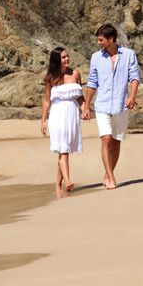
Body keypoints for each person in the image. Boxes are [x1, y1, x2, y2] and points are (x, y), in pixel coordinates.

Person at [82, 24, 140, 190]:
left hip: (122, 105)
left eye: (101, 40)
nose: (99, 43)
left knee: (116, 142)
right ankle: (112, 177)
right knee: (106, 139)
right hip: (102, 105)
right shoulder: (96, 57)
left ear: (111, 39)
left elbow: (134, 77)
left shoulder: (129, 55)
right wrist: (86, 106)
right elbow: (92, 83)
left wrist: (133, 96)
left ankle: (108, 173)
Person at [41, 47, 85, 197]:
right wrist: (43, 121)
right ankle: (67, 181)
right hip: (57, 115)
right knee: (63, 149)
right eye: (63, 57)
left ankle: (58, 186)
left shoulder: (75, 74)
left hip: (72, 115)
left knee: (63, 149)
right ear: (56, 61)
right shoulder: (51, 78)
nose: (67, 59)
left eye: (67, 56)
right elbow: (47, 101)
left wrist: (85, 110)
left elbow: (80, 97)